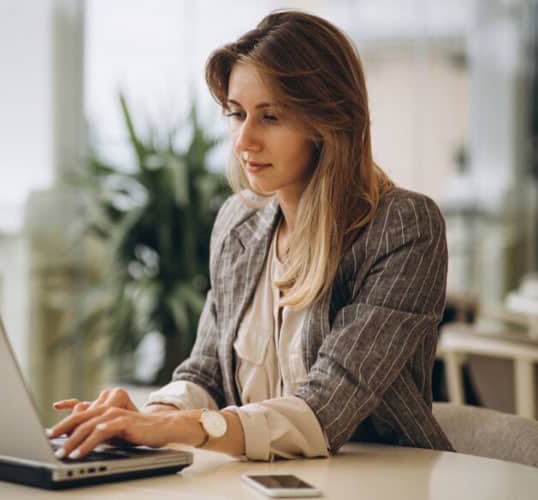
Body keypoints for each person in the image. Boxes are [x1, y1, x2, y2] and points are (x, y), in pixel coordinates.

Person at [47, 9, 453, 462]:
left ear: (328, 123)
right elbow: (205, 374)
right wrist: (152, 415)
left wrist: (175, 426)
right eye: (237, 114)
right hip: (261, 482)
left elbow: (326, 409)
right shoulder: (238, 222)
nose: (244, 140)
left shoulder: (404, 227)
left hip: (382, 481)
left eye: (271, 116)